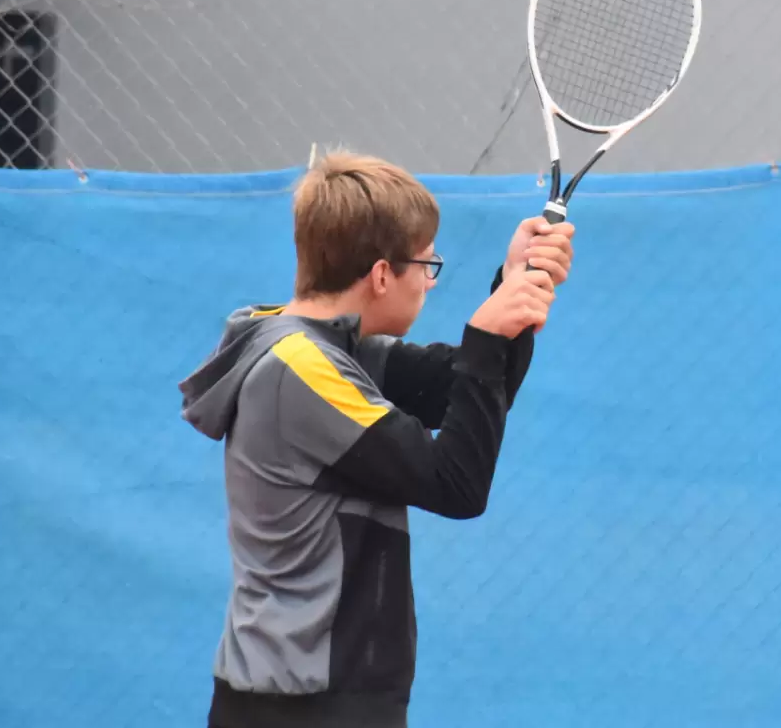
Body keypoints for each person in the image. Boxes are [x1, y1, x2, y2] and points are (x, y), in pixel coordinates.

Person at [177, 150, 575, 728]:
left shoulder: (324, 348)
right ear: (383, 274)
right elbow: (456, 484)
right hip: (302, 708)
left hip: (316, 698)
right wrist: (488, 334)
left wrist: (511, 286)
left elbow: (462, 391)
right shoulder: (300, 371)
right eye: (427, 264)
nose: (430, 280)